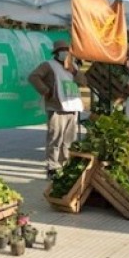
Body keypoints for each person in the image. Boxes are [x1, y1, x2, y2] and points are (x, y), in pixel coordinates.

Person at [28, 40, 85, 179]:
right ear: (57, 52)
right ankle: (52, 167)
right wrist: (45, 91)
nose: (65, 52)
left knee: (69, 139)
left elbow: (84, 82)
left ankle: (64, 164)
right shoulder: (48, 65)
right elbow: (33, 77)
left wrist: (74, 71)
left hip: (72, 106)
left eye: (67, 49)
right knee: (55, 137)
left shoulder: (74, 66)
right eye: (62, 50)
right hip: (56, 106)